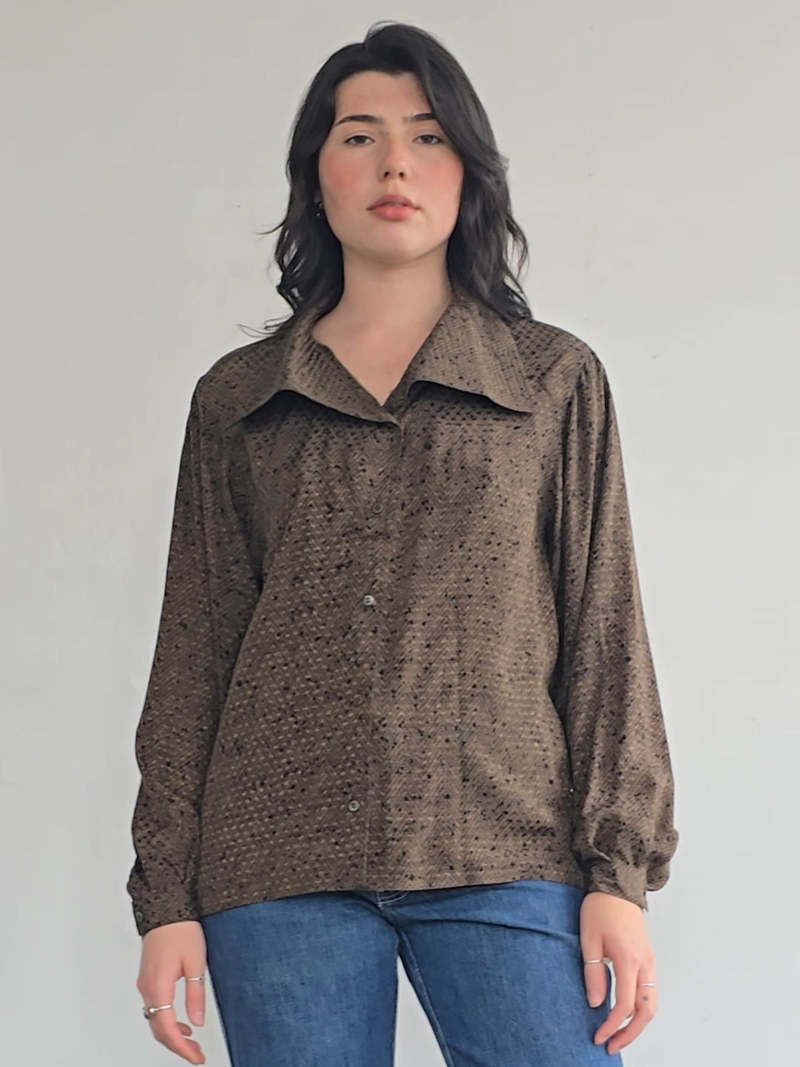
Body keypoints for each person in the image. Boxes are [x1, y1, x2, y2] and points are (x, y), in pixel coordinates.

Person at [127, 20, 679, 1067]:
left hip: (505, 841)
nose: (394, 164)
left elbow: (604, 626)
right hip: (276, 856)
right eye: (359, 136)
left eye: (427, 137)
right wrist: (166, 897)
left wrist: (618, 873)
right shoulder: (239, 399)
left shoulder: (549, 379)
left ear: (469, 171)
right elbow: (195, 647)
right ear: (315, 174)